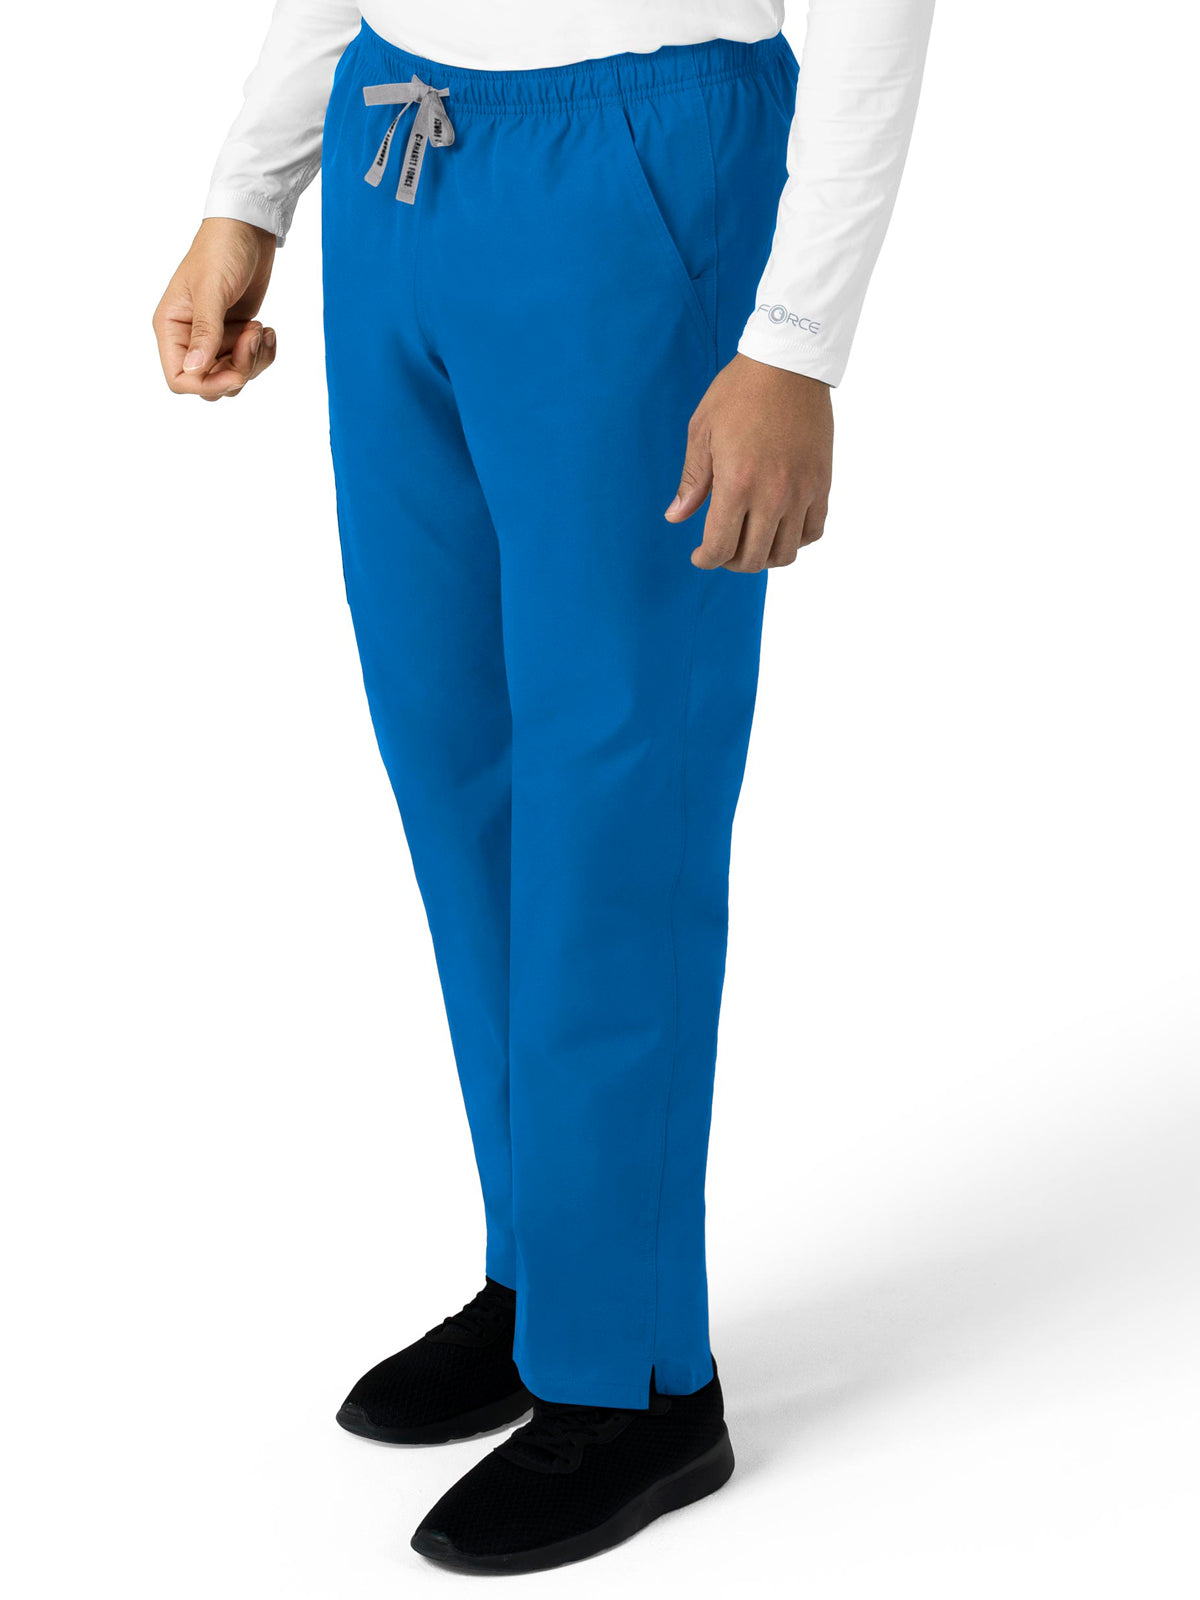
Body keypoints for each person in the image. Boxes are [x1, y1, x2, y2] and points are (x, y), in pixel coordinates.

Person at [153, 0, 935, 1575]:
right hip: (400, 142)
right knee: (458, 763)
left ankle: (633, 1376)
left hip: (635, 163)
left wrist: (794, 341)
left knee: (614, 786)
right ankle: (553, 1280)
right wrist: (252, 187)